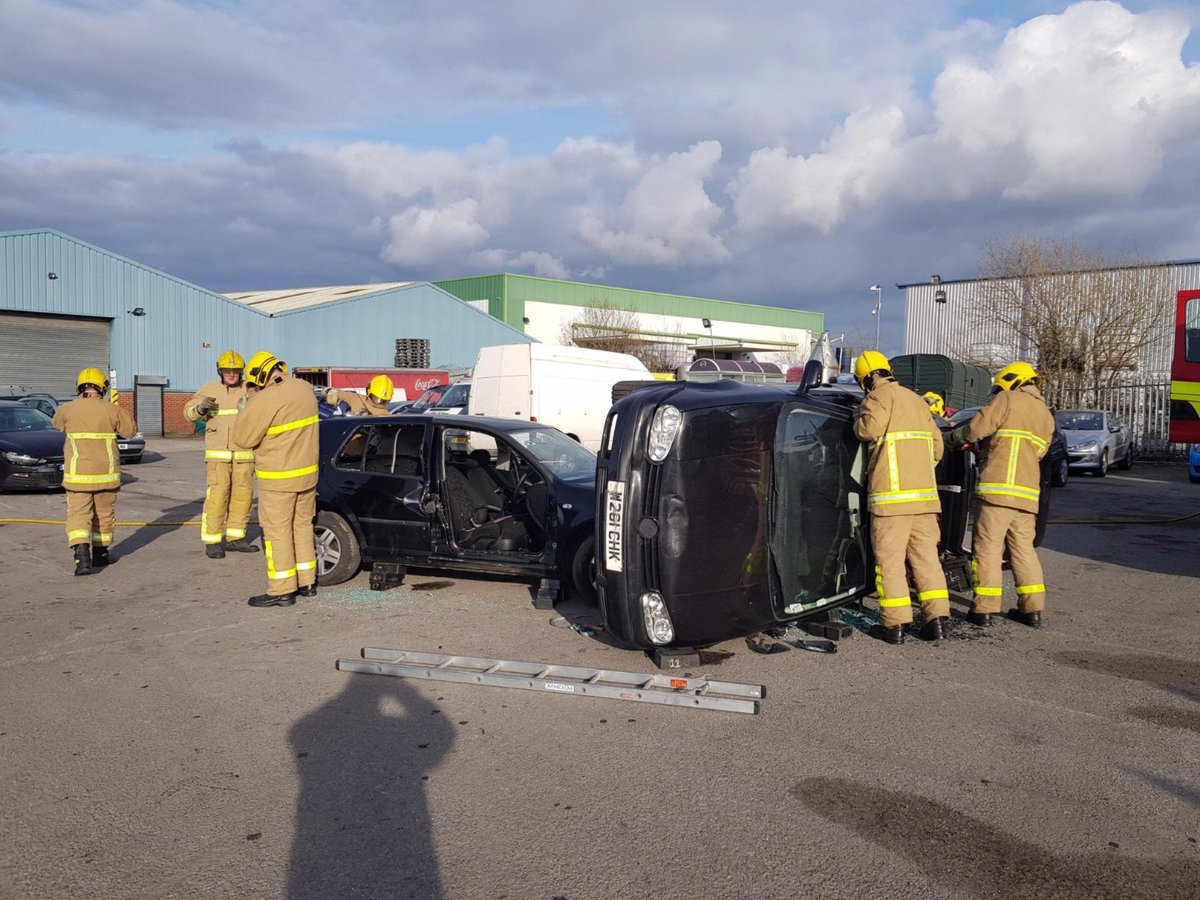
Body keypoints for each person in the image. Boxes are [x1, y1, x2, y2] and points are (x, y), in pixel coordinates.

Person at [853, 351, 951, 644]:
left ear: (868, 378)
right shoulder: (917, 401)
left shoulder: (877, 398)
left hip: (891, 501)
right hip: (924, 501)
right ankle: (937, 621)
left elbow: (867, 430)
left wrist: (857, 415)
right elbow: (938, 449)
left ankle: (894, 626)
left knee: (891, 563)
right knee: (926, 560)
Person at [948, 361, 1055, 628]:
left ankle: (984, 609)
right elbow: (1037, 453)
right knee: (1023, 551)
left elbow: (975, 429)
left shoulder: (1007, 399)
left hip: (997, 492)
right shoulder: (1045, 414)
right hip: (1027, 496)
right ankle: (1032, 610)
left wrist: (953, 438)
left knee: (988, 550)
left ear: (1010, 381)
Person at [232, 351, 320, 608]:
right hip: (307, 476)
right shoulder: (304, 389)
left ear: (259, 376)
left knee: (277, 531)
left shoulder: (266, 398)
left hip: (278, 478)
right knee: (302, 527)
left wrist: (247, 405)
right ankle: (307, 583)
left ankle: (282, 590)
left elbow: (243, 439)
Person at [51, 368, 138, 575]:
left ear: (79, 387)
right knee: (104, 515)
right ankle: (100, 555)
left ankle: (82, 558)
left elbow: (56, 424)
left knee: (78, 515)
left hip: (77, 476)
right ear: (103, 387)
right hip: (106, 476)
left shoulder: (67, 409)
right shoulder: (110, 409)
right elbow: (130, 431)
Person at [184, 350, 259, 557]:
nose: (232, 374)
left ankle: (236, 538)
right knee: (217, 497)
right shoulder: (208, 389)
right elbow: (188, 413)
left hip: (244, 455)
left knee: (243, 497)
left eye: (235, 371)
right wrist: (200, 409)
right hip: (218, 457)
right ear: (220, 371)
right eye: (227, 371)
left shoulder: (251, 390)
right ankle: (213, 540)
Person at [323, 375, 394, 417]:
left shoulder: (385, 416)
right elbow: (342, 394)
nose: (379, 402)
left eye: (383, 401)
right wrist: (331, 392)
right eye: (376, 398)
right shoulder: (357, 399)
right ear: (368, 392)